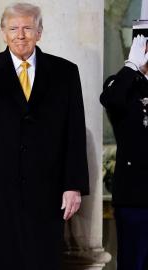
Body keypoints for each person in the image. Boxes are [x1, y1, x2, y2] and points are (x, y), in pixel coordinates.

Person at [0, 3, 89, 270]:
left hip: (45, 193)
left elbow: (74, 133)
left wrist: (73, 185)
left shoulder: (65, 72)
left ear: (39, 32)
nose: (20, 35)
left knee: (39, 260)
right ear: (3, 33)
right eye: (13, 28)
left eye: (28, 28)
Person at [100, 33, 148, 270]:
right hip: (136, 196)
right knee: (133, 263)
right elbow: (112, 99)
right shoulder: (123, 85)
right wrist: (131, 67)